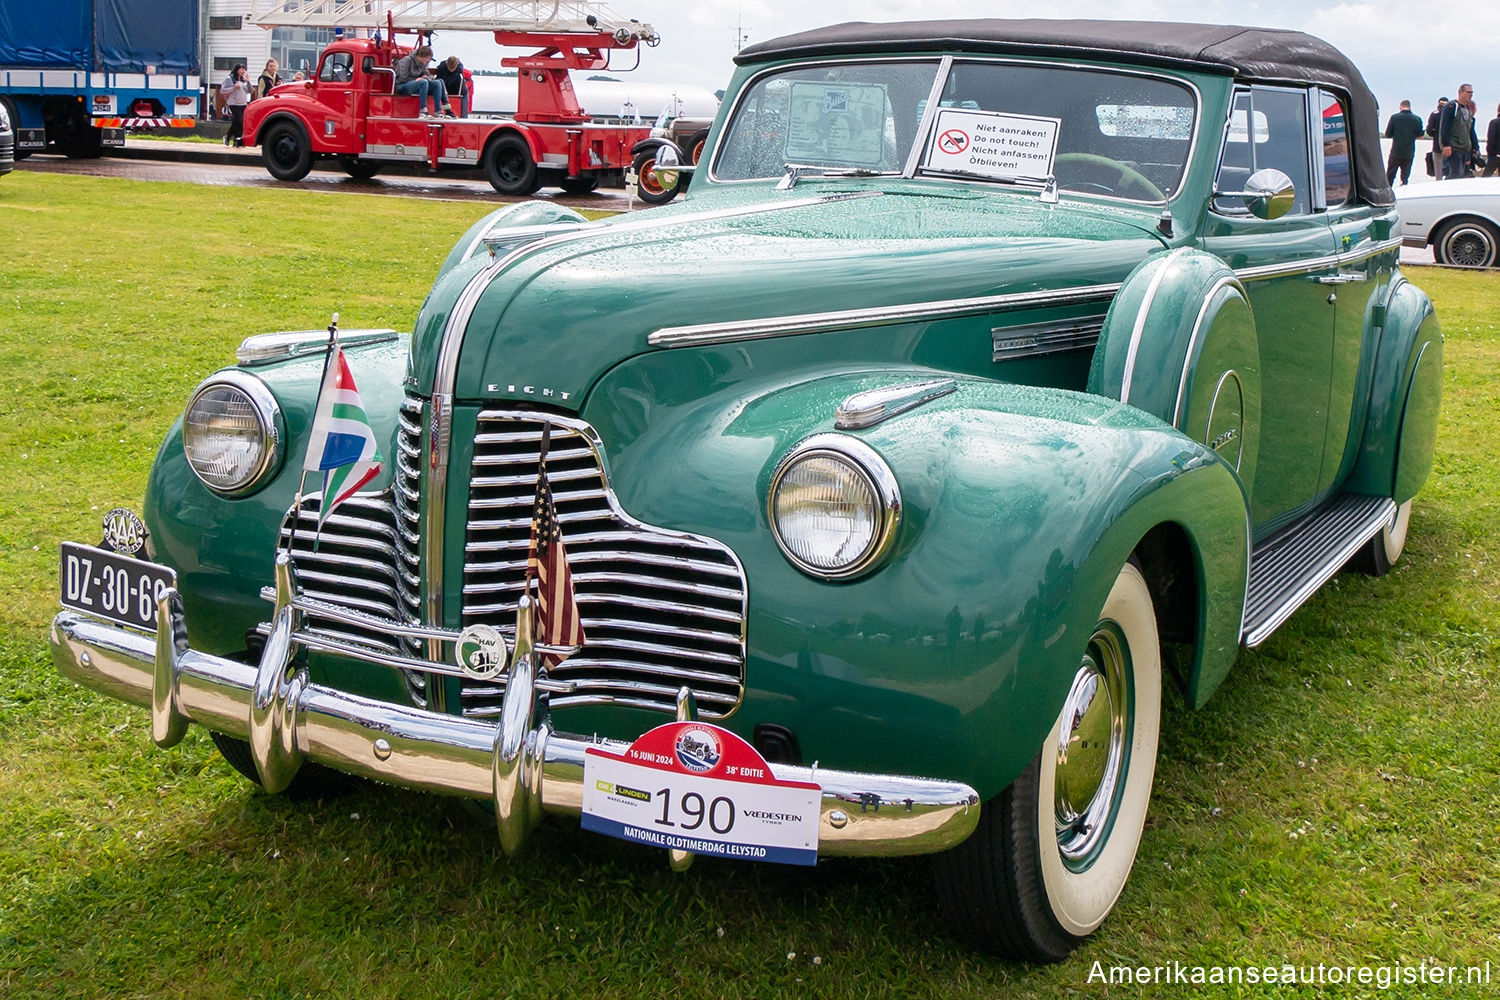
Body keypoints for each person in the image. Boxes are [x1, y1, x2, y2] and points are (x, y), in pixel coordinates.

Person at [393, 44, 452, 117]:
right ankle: (423, 110)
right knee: (423, 82)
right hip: (402, 86)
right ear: (424, 57)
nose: (429, 61)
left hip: (418, 85)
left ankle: (438, 111)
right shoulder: (406, 60)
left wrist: (425, 78)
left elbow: (429, 75)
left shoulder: (422, 64)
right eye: (428, 58)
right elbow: (403, 78)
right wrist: (417, 80)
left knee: (438, 82)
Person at [1383, 99, 1425, 185]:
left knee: (1390, 177)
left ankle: (1388, 195)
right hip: (1409, 152)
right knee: (1405, 178)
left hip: (1396, 152)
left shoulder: (1394, 118)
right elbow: (1420, 136)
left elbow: (1388, 134)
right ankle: (1404, 194)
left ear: (1400, 107)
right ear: (1410, 107)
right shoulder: (1417, 119)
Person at [1439, 84, 1476, 179]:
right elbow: (1445, 126)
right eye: (1469, 92)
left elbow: (1470, 130)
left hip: (1465, 148)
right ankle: (1444, 190)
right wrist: (1446, 145)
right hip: (1454, 147)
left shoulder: (1468, 109)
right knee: (1456, 173)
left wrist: (1475, 147)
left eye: (1472, 93)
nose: (1471, 95)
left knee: (1465, 174)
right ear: (1461, 93)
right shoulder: (1452, 107)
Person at [219, 64, 252, 147]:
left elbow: (251, 91)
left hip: (243, 103)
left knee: (238, 122)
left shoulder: (244, 80)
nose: (243, 71)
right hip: (233, 103)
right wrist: (233, 88)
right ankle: (233, 137)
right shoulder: (229, 79)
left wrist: (248, 81)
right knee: (240, 121)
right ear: (237, 70)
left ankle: (235, 140)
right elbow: (222, 90)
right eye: (241, 69)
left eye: (244, 70)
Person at [1427, 97, 1448, 178]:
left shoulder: (1434, 114)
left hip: (1437, 146)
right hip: (1450, 146)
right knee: (1449, 169)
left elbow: (1429, 130)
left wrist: (1434, 134)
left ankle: (1439, 184)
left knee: (1438, 171)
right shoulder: (1451, 114)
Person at [1484, 103, 1500, 178]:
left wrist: (1489, 153)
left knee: (1485, 178)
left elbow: (1491, 140)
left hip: (1495, 155)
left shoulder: (1494, 122)